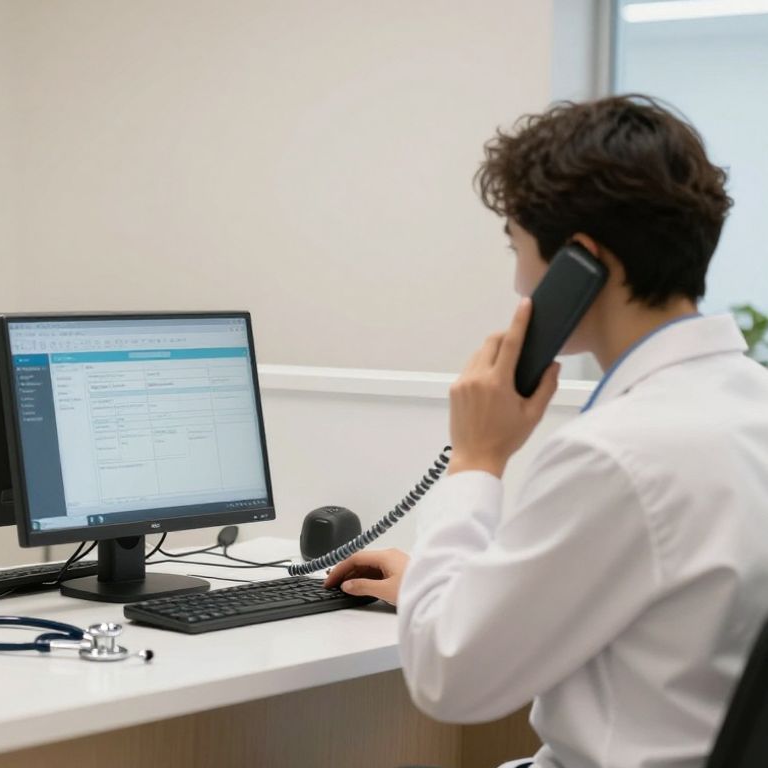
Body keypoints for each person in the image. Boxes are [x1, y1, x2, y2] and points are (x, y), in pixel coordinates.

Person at [325, 95, 768, 767]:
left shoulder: (621, 455)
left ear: (578, 265)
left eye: (519, 251)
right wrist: (438, 585)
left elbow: (450, 679)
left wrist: (477, 458)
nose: (517, 281)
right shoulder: (744, 406)